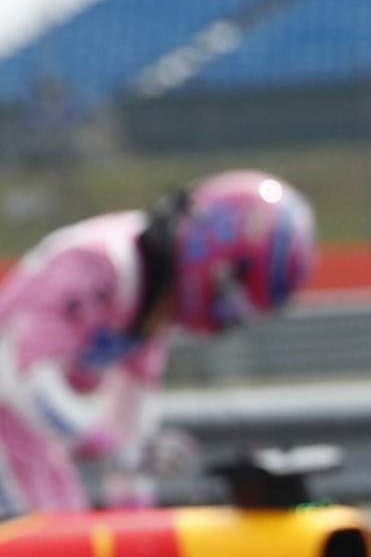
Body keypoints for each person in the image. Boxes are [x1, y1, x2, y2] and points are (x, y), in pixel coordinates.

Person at [0, 171, 317, 516]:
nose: (224, 320)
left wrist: (137, 524)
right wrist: (116, 448)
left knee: (63, 523)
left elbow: (131, 425)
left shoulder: (153, 302)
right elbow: (26, 381)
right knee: (48, 529)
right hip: (13, 423)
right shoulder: (100, 263)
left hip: (28, 438)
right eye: (230, 300)